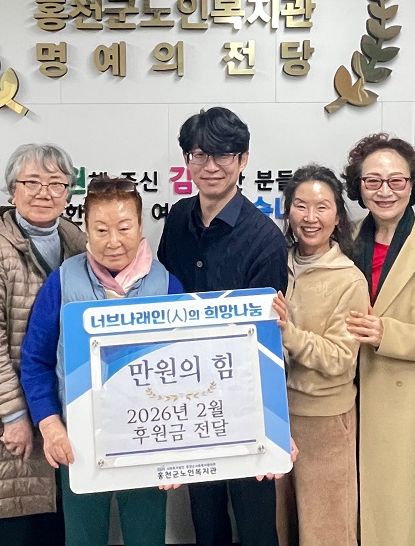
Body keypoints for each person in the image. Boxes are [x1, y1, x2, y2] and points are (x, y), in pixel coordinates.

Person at [21, 177, 184, 546]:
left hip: (148, 440)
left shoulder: (167, 286)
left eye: (124, 228)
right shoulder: (63, 282)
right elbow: (35, 361)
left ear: (140, 226)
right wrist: (50, 424)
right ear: (86, 229)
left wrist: (177, 448)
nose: (113, 241)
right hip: (78, 439)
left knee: (146, 538)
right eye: (101, 229)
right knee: (83, 538)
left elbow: (184, 372)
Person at [157, 106, 288, 546]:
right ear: (187, 160)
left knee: (255, 522)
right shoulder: (178, 218)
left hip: (245, 400)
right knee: (205, 518)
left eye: (223, 155)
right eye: (199, 155)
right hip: (189, 397)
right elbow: (165, 298)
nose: (210, 166)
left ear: (243, 159)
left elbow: (267, 335)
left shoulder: (264, 238)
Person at [0, 143, 86, 545]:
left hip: (58, 413)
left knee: (54, 529)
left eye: (56, 184)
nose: (44, 193)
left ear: (68, 192)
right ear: (12, 189)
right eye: (32, 183)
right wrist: (13, 416)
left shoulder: (78, 243)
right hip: (4, 423)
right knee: (13, 527)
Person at [340, 133, 415, 546]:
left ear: (413, 185)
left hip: (407, 402)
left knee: (404, 522)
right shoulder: (343, 240)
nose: (385, 191)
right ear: (359, 186)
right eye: (372, 181)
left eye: (396, 181)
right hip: (345, 395)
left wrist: (387, 332)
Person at [272, 165, 367, 546]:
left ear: (338, 217)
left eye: (322, 207)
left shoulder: (349, 279)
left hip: (325, 420)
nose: (310, 218)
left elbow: (341, 358)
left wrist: (289, 332)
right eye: (301, 206)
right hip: (275, 415)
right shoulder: (275, 262)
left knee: (326, 530)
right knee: (282, 527)